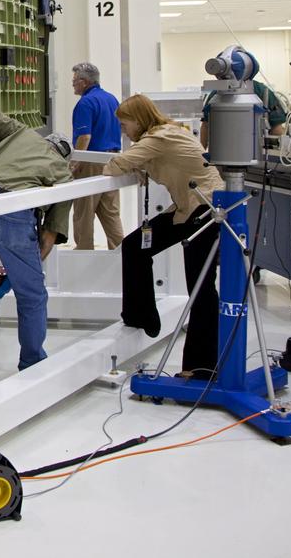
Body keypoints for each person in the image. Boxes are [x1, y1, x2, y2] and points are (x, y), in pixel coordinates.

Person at [103, 95, 223, 378]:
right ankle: (141, 315)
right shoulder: (169, 132)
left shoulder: (159, 137)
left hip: (204, 211)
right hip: (189, 208)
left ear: (139, 120)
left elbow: (116, 164)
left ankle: (202, 366)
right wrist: (142, 166)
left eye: (125, 124)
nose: (124, 131)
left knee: (201, 288)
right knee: (134, 246)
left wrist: (136, 163)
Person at [0, 104, 72, 395]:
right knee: (32, 296)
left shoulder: (19, 133)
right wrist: (22, 265)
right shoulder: (62, 170)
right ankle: (33, 367)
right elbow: (47, 239)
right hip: (13, 211)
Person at [69, 62, 123, 250]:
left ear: (84, 82)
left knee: (84, 211)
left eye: (75, 80)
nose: (73, 84)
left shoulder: (85, 103)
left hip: (91, 162)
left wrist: (76, 162)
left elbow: (84, 136)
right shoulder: (111, 99)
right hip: (113, 161)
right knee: (111, 212)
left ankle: (84, 252)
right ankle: (121, 253)